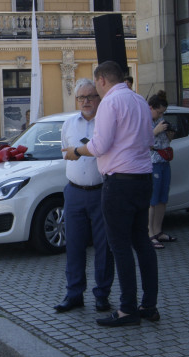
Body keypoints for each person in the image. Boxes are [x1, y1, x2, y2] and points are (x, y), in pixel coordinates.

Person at [68, 61, 159, 327]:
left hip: (119, 183)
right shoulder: (140, 100)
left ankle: (128, 309)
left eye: (96, 85)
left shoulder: (110, 102)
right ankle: (149, 305)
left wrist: (76, 151)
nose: (96, 91)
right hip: (143, 179)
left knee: (120, 247)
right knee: (142, 242)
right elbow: (150, 141)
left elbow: (99, 145)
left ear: (102, 80)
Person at [55, 79, 113, 313]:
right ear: (76, 100)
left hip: (102, 192)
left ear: (99, 98)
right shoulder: (69, 124)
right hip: (75, 192)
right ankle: (74, 293)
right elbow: (64, 153)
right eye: (81, 97)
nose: (86, 101)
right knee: (75, 246)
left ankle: (102, 294)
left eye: (91, 96)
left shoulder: (107, 122)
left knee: (104, 247)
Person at [147, 91, 175, 248]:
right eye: (158, 112)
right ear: (151, 108)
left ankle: (158, 230)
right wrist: (155, 131)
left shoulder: (161, 120)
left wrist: (169, 134)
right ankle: (150, 233)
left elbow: (165, 141)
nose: (160, 115)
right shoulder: (145, 121)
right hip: (152, 162)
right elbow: (142, 142)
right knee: (153, 198)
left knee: (163, 197)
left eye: (162, 113)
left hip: (164, 161)